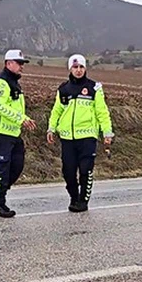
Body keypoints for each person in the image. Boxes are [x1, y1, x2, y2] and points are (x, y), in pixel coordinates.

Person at [47, 54, 113, 212]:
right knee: (68, 172)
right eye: (75, 67)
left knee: (85, 170)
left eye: (81, 67)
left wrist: (107, 132)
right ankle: (74, 197)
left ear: (85, 68)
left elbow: (102, 112)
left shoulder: (94, 87)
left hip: (87, 137)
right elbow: (57, 110)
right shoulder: (63, 89)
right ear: (70, 68)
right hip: (68, 138)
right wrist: (51, 128)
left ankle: (83, 200)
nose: (78, 70)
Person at [0, 49, 36, 217]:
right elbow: (0, 106)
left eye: (22, 63)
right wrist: (21, 118)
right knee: (2, 169)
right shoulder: (0, 82)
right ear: (8, 64)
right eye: (19, 63)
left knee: (17, 166)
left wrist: (23, 119)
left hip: (13, 133)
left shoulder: (14, 83)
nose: (22, 67)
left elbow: (14, 107)